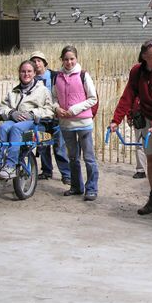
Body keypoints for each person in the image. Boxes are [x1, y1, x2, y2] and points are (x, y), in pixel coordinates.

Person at [110, 39, 152, 217]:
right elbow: (128, 95)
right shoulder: (137, 71)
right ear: (144, 57)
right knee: (151, 159)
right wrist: (115, 120)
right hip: (148, 119)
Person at [0, 60, 55, 179]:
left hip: (35, 124)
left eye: (29, 71)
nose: (26, 74)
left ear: (34, 73)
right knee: (3, 128)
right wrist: (12, 113)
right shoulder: (13, 91)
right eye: (23, 71)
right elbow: (2, 107)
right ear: (19, 73)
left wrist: (32, 113)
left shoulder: (42, 91)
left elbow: (49, 110)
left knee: (16, 129)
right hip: (15, 121)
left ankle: (10, 166)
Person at [53, 46, 99, 200]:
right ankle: (76, 186)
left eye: (72, 59)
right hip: (66, 124)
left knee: (89, 157)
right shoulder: (57, 77)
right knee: (72, 157)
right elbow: (53, 98)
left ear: (76, 59)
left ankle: (91, 188)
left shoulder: (83, 75)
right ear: (62, 60)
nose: (69, 62)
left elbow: (93, 98)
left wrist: (73, 110)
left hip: (83, 123)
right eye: (66, 59)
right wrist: (57, 108)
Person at [29, 50, 71, 185]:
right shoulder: (30, 79)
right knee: (42, 145)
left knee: (60, 146)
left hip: (56, 116)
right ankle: (46, 171)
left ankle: (66, 174)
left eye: (39, 61)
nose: (36, 64)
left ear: (44, 63)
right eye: (34, 61)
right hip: (40, 118)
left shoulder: (55, 76)